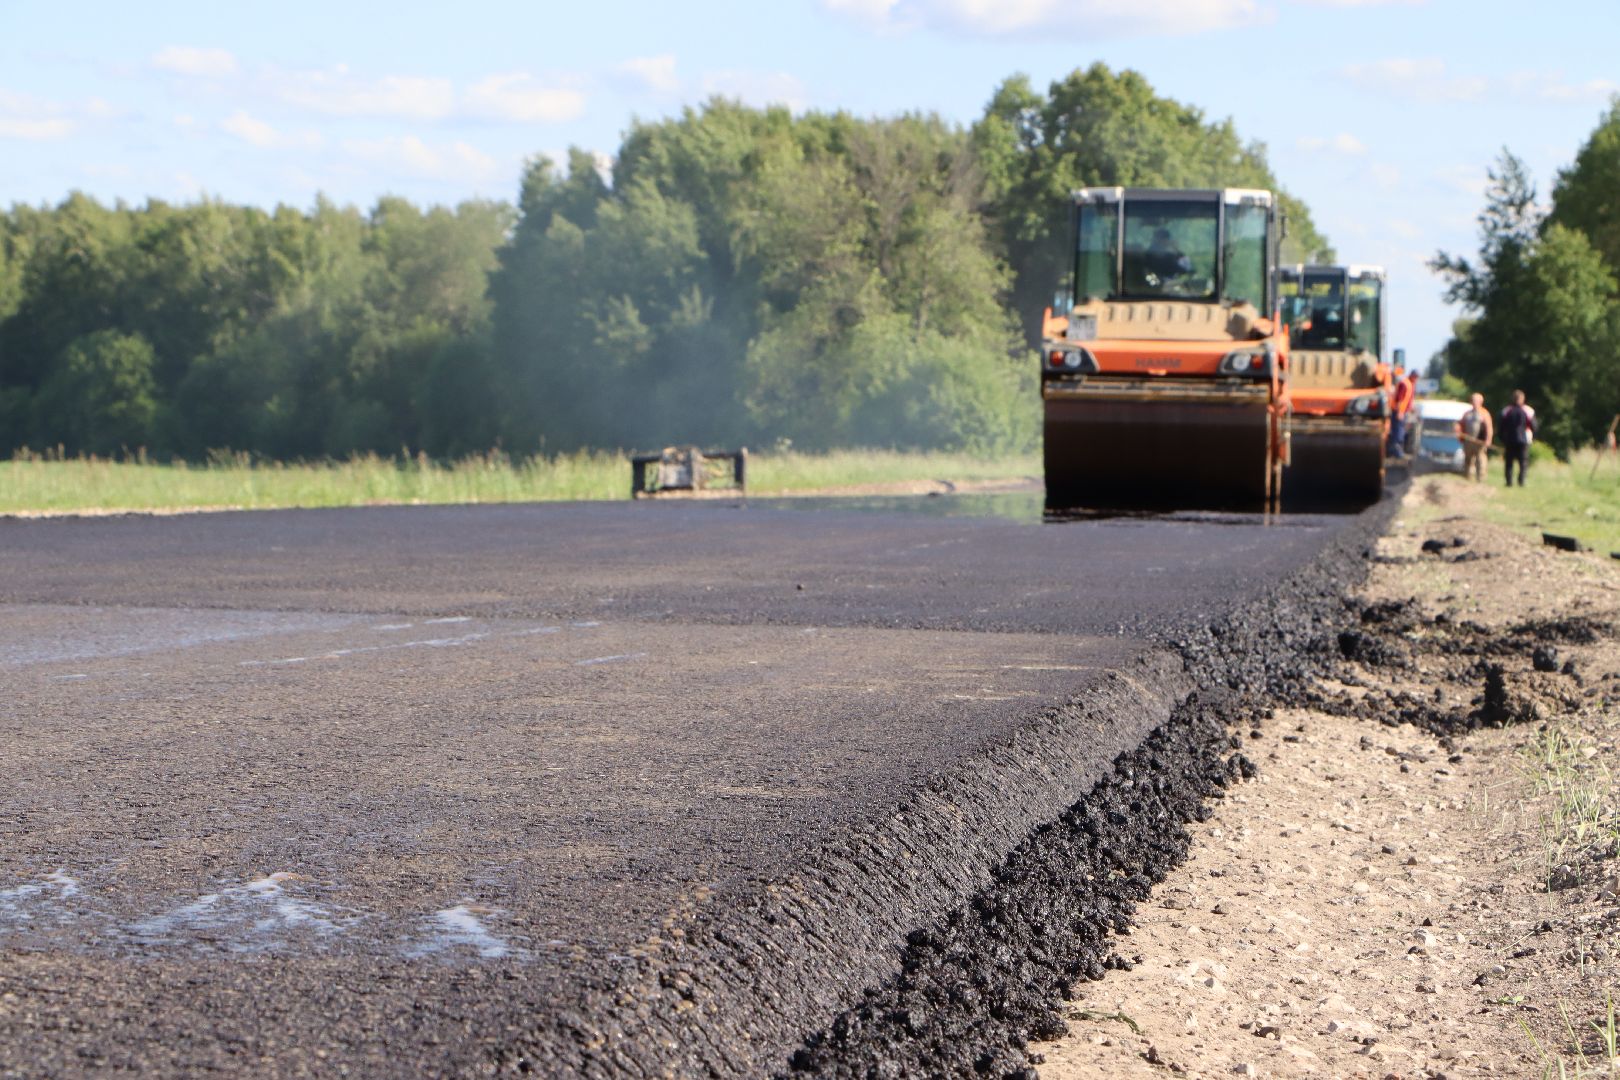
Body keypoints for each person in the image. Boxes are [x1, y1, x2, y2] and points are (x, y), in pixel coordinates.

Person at [1499, 389, 1535, 486]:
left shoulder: (1506, 410)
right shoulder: (1528, 411)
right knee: (1523, 462)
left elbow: (1501, 427)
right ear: (1523, 399)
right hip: (1523, 440)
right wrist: (1533, 437)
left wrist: (1502, 439)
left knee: (1509, 462)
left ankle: (1509, 482)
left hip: (1510, 439)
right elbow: (1534, 426)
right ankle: (1521, 481)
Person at [1455, 392, 1494, 482]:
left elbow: (1489, 428)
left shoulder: (1484, 413)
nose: (1474, 402)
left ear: (1481, 402)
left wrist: (1488, 440)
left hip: (1479, 441)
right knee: (1468, 459)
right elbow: (1460, 424)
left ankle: (1480, 478)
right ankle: (1467, 477)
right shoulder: (1467, 414)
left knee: (1481, 459)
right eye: (1472, 400)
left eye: (1476, 401)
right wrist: (1458, 431)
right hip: (1468, 441)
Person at [1387, 370, 1418, 460]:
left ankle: (1396, 450)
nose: (1416, 379)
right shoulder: (1405, 384)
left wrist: (1411, 408)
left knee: (1400, 430)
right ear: (1412, 376)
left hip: (1402, 411)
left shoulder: (1409, 384)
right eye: (1416, 377)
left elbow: (1407, 399)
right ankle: (1396, 451)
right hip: (1398, 411)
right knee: (1398, 431)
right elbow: (1400, 399)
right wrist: (1399, 412)